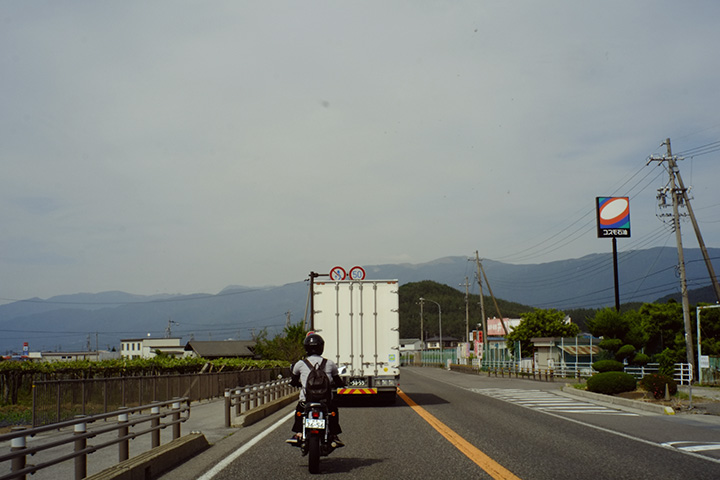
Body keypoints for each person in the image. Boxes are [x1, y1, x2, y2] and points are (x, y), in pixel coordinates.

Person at [286, 332, 345, 446]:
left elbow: (294, 380)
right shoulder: (329, 363)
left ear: (306, 348)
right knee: (333, 411)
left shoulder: (300, 364)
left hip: (307, 399)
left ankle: (299, 433)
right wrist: (341, 385)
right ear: (321, 347)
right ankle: (333, 435)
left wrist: (296, 384)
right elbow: (337, 380)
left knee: (299, 411)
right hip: (325, 400)